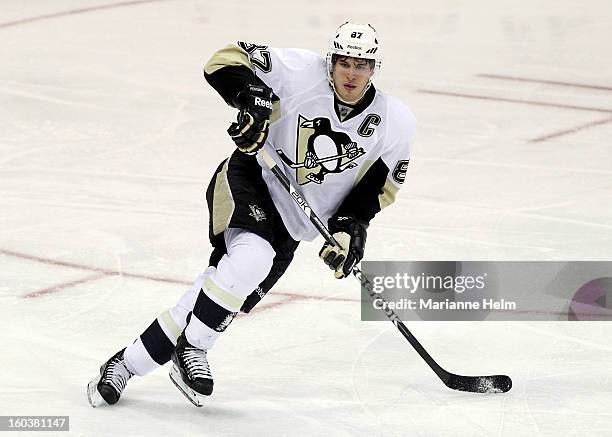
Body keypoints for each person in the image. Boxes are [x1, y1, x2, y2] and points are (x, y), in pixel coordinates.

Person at [87, 22, 416, 408]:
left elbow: (379, 189)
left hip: (296, 224)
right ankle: (194, 347)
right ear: (331, 61)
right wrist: (253, 100)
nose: (351, 73)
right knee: (252, 259)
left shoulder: (394, 121)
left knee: (216, 292)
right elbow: (224, 60)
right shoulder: (299, 71)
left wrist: (348, 229)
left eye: (361, 65)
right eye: (344, 62)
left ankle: (125, 365)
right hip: (251, 177)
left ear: (374, 68)